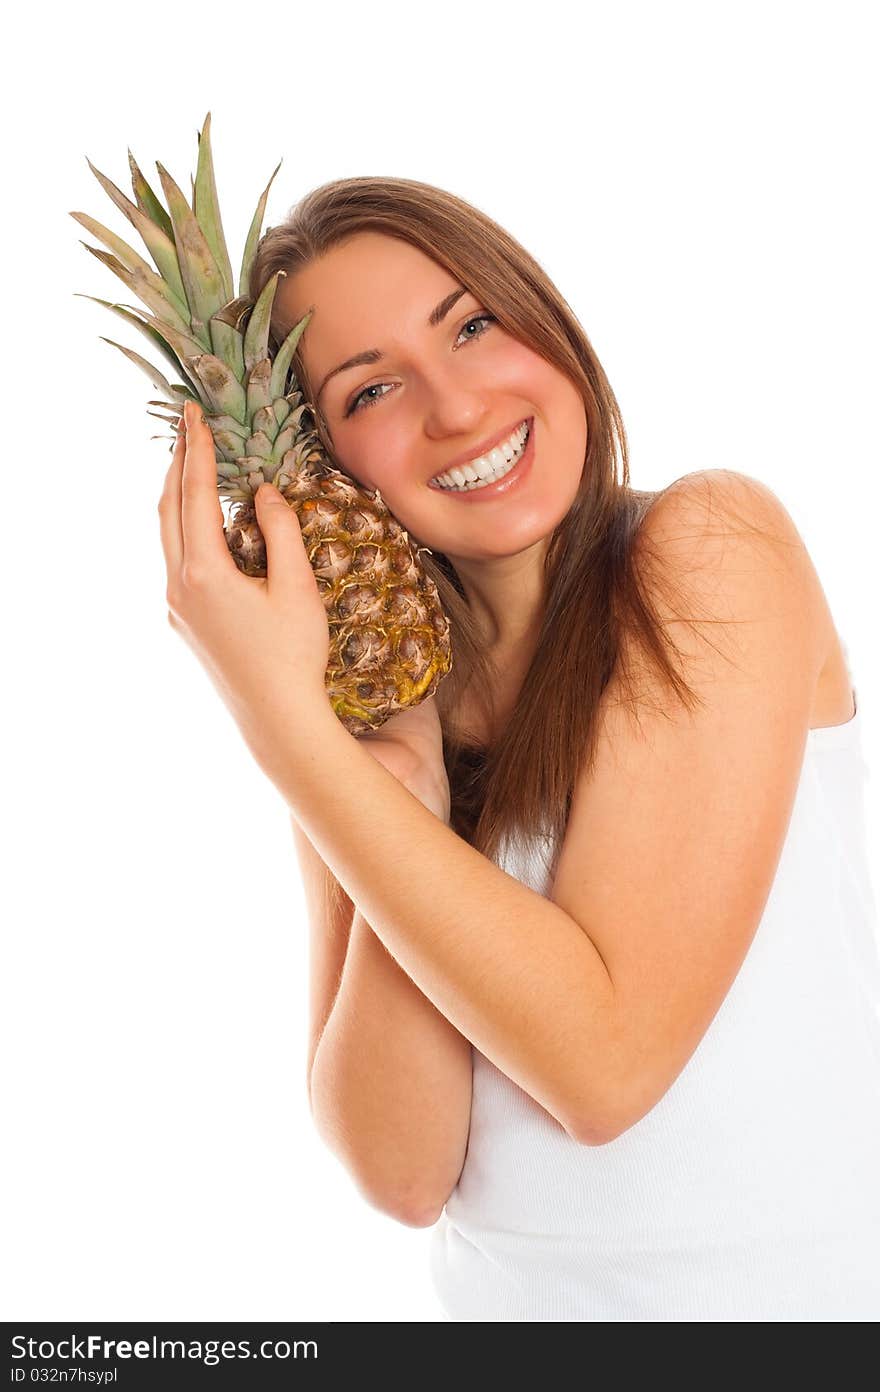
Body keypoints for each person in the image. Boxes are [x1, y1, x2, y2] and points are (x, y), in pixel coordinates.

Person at [161, 176, 880, 1321]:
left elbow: (605, 1066)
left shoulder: (710, 546)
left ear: (535, 310)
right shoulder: (360, 718)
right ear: (318, 467)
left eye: (472, 323)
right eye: (373, 388)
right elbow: (401, 1173)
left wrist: (281, 732)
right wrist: (394, 768)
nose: (455, 407)